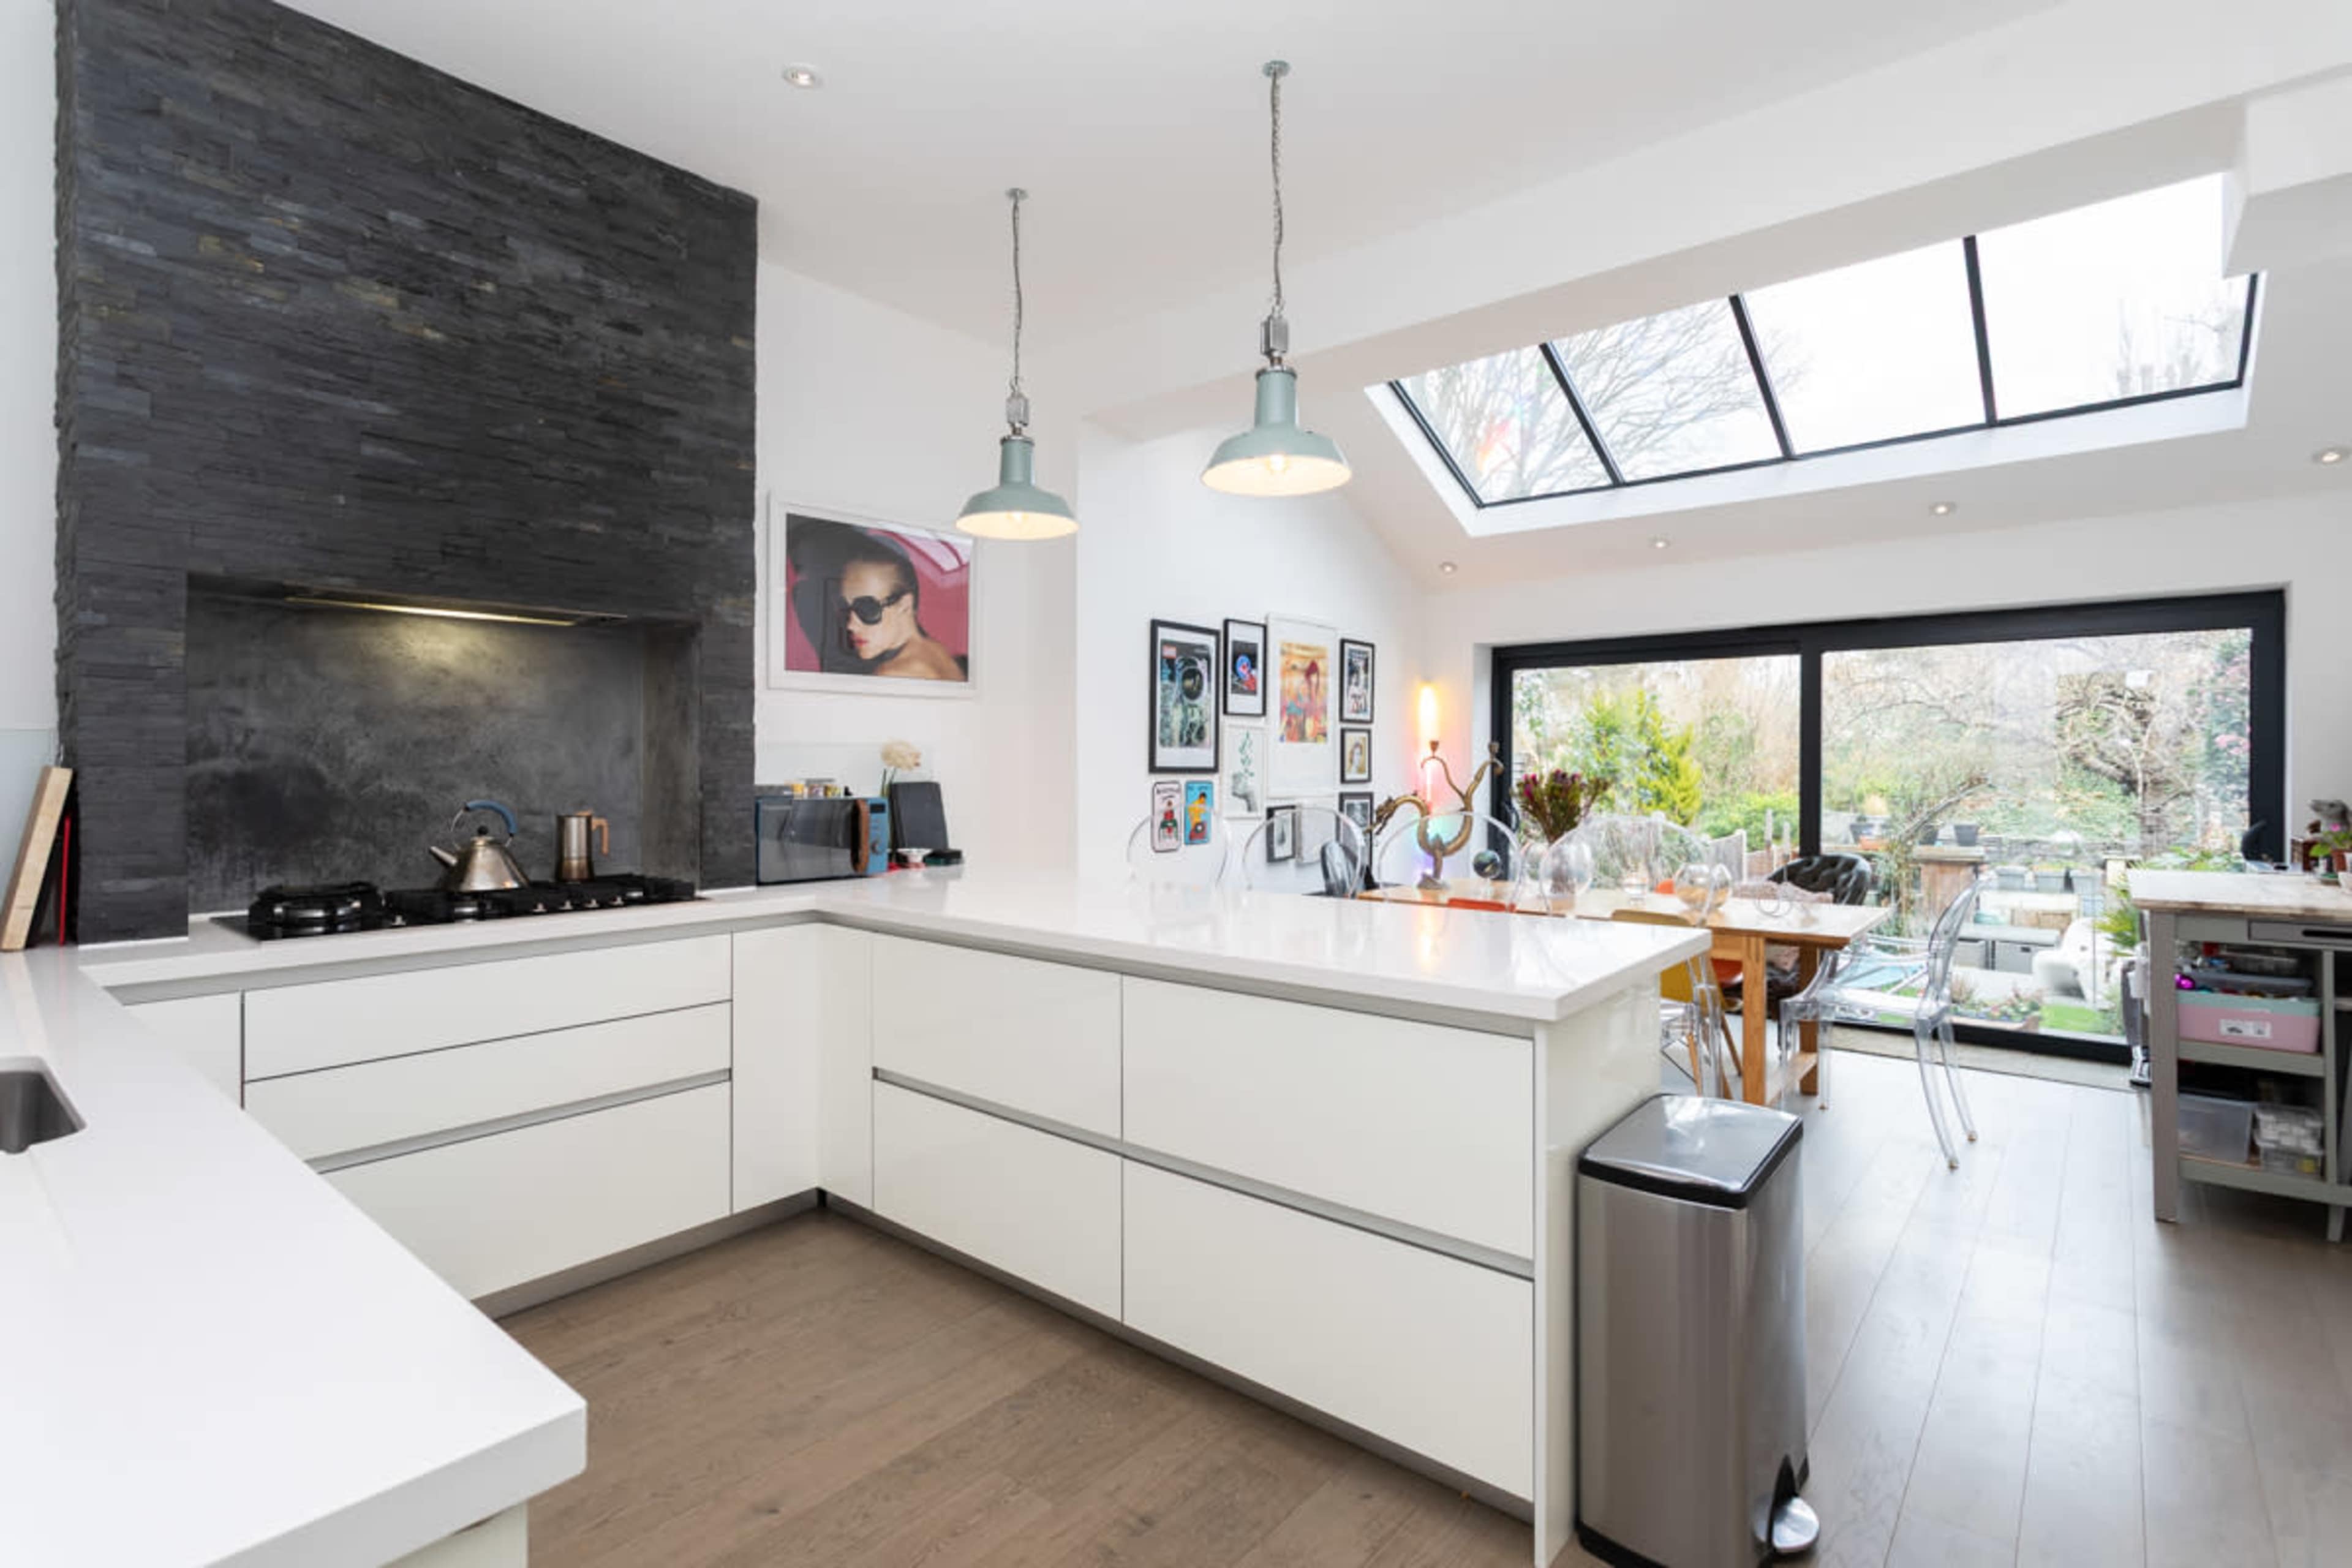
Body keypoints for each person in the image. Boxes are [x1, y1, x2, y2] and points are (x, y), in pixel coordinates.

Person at [829, 533, 965, 680]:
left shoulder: (894, 675)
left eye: (867, 608)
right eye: (845, 608)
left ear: (904, 605)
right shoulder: (938, 653)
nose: (851, 626)